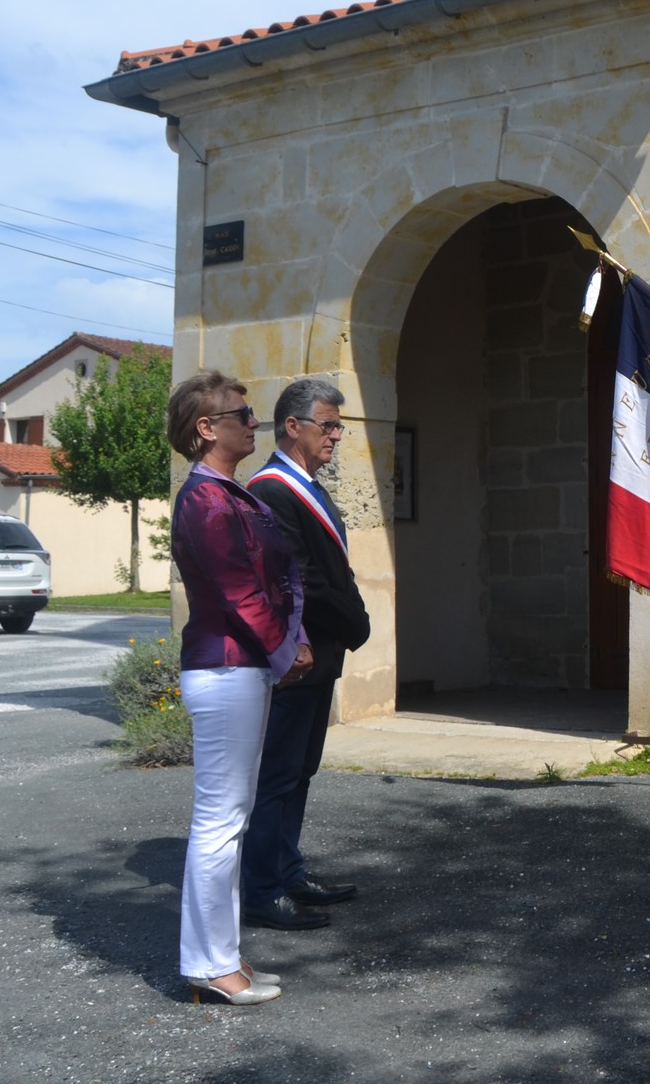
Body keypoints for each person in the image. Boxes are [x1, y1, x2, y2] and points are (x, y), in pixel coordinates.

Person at [167, 370, 312, 1005]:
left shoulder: (227, 494)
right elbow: (239, 592)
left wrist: (287, 641)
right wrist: (285, 648)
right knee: (220, 823)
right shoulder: (205, 500)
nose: (252, 421)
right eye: (240, 413)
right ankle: (207, 966)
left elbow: (274, 578)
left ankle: (222, 956)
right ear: (206, 428)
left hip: (238, 669)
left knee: (231, 818)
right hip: (225, 669)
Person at [240, 378, 370, 931]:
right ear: (293, 426)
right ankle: (263, 888)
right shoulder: (270, 490)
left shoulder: (307, 484)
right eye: (329, 425)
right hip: (299, 655)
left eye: (339, 426)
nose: (336, 436)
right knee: (279, 773)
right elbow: (301, 580)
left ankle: (288, 869)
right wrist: (356, 620)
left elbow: (335, 568)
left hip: (322, 653)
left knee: (302, 770)